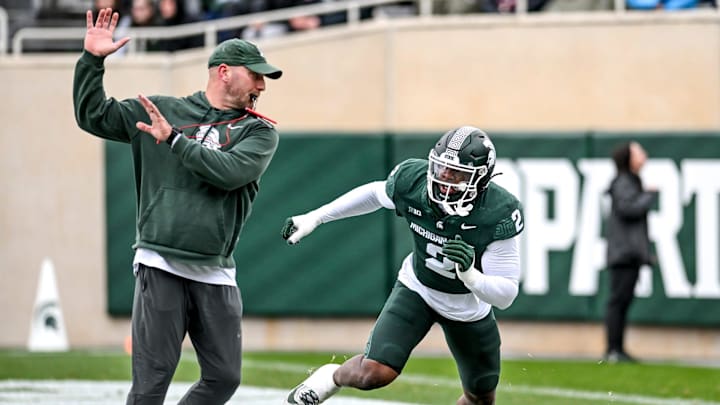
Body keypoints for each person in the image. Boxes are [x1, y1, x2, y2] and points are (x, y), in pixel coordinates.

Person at [73, 8, 283, 404]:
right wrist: (92, 60)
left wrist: (173, 140)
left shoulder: (259, 131)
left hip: (214, 271)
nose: (262, 85)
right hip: (161, 264)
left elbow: (230, 172)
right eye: (255, 75)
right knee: (151, 384)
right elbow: (92, 115)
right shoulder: (161, 109)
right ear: (224, 71)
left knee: (224, 377)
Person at [281, 126, 525, 405]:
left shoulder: (498, 211)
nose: (445, 179)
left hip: (468, 308)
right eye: (442, 168)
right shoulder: (414, 181)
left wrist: (471, 277)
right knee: (373, 374)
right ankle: (330, 377)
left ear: (481, 178)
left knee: (480, 398)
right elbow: (374, 194)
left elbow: (506, 294)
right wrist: (317, 217)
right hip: (418, 288)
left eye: (457, 173)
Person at [604, 141, 657, 364]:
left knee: (623, 302)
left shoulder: (630, 182)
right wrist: (648, 195)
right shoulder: (624, 182)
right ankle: (614, 350)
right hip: (624, 255)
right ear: (629, 158)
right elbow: (628, 209)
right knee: (618, 302)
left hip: (628, 254)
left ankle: (618, 349)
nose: (644, 154)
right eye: (639, 152)